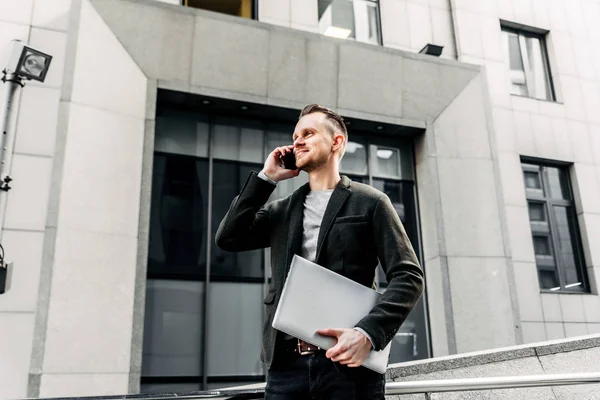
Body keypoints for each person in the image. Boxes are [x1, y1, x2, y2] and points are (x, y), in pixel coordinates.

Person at [215, 104, 424, 399]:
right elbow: (228, 238)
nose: (297, 140)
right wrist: (266, 178)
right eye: (295, 135)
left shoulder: (370, 202)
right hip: (285, 370)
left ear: (336, 142)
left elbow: (408, 276)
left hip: (347, 368)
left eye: (308, 133)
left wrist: (367, 334)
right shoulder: (281, 210)